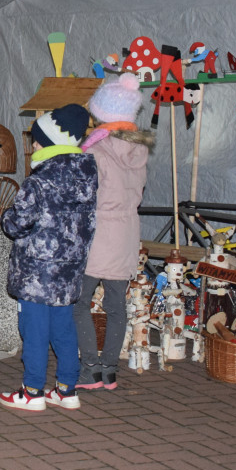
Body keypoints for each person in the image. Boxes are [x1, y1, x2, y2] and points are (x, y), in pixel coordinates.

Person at [0, 104, 97, 412]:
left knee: (35, 330)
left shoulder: (40, 180)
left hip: (37, 271)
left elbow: (17, 224)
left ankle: (32, 392)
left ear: (52, 142)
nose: (35, 146)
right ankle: (67, 389)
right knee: (63, 327)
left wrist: (6, 216)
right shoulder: (87, 177)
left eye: (38, 140)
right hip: (69, 268)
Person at [72, 72, 153, 391]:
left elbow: (83, 194)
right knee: (117, 305)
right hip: (126, 231)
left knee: (80, 303)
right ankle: (109, 371)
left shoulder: (95, 150)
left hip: (99, 231)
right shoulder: (138, 150)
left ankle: (89, 368)